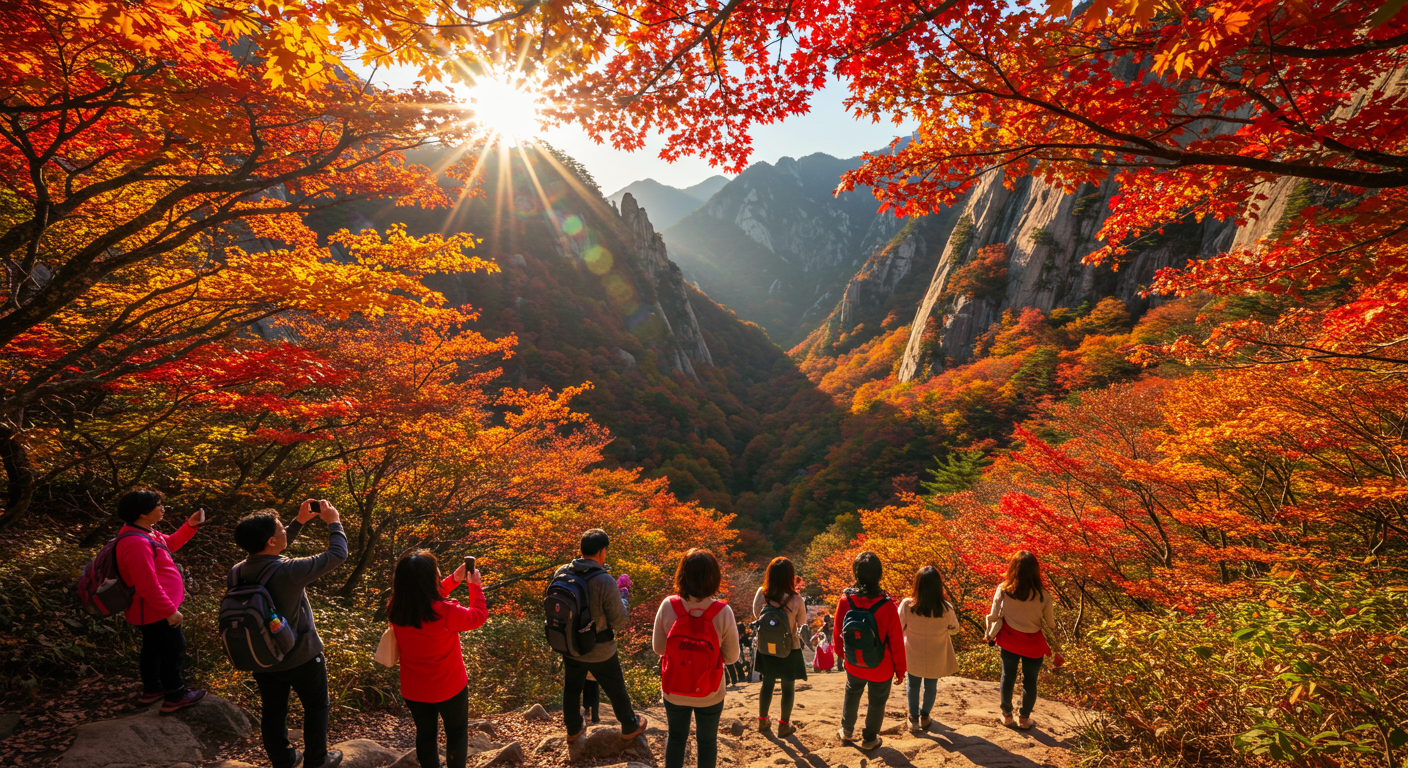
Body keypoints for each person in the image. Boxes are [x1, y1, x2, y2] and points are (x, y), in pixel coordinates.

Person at [233, 500, 348, 768]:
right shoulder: (289, 571)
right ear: (272, 540)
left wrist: (299, 522)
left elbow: (271, 551)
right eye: (281, 528)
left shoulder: (238, 571)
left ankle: (283, 759)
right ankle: (317, 760)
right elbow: (337, 554)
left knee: (273, 711)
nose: (285, 530)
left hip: (262, 656)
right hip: (302, 656)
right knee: (316, 707)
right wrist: (333, 521)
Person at [388, 550, 488, 768]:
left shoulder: (396, 609)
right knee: (457, 732)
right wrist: (474, 586)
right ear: (430, 579)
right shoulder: (446, 612)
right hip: (449, 686)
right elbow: (478, 616)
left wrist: (453, 580)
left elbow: (421, 595)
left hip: (414, 689)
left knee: (425, 735)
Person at [113, 489, 206, 712]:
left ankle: (153, 689)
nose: (162, 508)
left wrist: (190, 525)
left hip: (152, 608)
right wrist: (169, 611)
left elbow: (170, 544)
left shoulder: (144, 532)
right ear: (143, 512)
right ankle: (176, 695)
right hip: (153, 609)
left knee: (153, 648)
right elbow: (146, 583)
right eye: (158, 505)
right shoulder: (135, 542)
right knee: (174, 648)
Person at [556, 529, 648, 742]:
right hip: (599, 648)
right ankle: (629, 725)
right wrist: (623, 597)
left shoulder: (562, 572)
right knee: (616, 687)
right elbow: (618, 620)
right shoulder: (604, 580)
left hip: (570, 644)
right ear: (601, 550)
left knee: (571, 689)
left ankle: (573, 729)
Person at [652, 549, 740, 768]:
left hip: (674, 689)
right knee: (708, 741)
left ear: (682, 575)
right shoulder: (723, 612)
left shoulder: (668, 605)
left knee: (676, 738)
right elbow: (731, 657)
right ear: (714, 578)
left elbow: (659, 648)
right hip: (710, 691)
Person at [832, 551, 905, 750]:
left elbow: (838, 632)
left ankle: (846, 731)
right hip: (881, 667)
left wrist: (842, 655)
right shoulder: (888, 605)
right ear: (879, 574)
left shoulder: (846, 600)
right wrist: (900, 670)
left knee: (852, 692)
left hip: (854, 663)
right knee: (877, 701)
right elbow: (897, 641)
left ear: (856, 573)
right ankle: (870, 739)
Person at [985, 550, 1064, 730]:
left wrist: (989, 633)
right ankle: (1024, 718)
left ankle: (1006, 715)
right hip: (1033, 644)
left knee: (1008, 676)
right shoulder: (1043, 595)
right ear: (1035, 571)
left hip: (1009, 640)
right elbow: (1050, 624)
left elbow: (995, 614)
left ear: (1013, 569)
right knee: (1030, 681)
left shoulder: (1004, 590)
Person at [752, 556, 808, 737]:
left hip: (767, 645)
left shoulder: (762, 592)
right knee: (788, 686)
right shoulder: (796, 598)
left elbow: (756, 614)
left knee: (767, 683)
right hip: (789, 647)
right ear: (790, 576)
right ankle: (784, 725)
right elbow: (802, 622)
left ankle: (762, 721)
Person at [899, 565, 959, 733]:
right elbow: (955, 629)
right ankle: (925, 716)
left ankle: (913, 718)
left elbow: (898, 626)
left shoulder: (907, 605)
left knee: (913, 685)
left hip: (912, 652)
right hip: (936, 653)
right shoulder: (946, 608)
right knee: (931, 686)